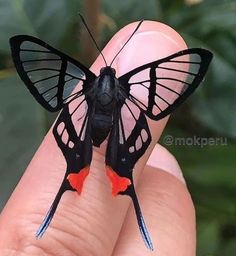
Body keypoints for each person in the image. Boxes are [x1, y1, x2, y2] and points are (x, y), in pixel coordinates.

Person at [0, 21, 195, 255]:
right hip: (120, 124)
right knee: (125, 162)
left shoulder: (84, 81)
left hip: (85, 120)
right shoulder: (133, 83)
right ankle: (115, 175)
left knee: (80, 152)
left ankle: (80, 174)